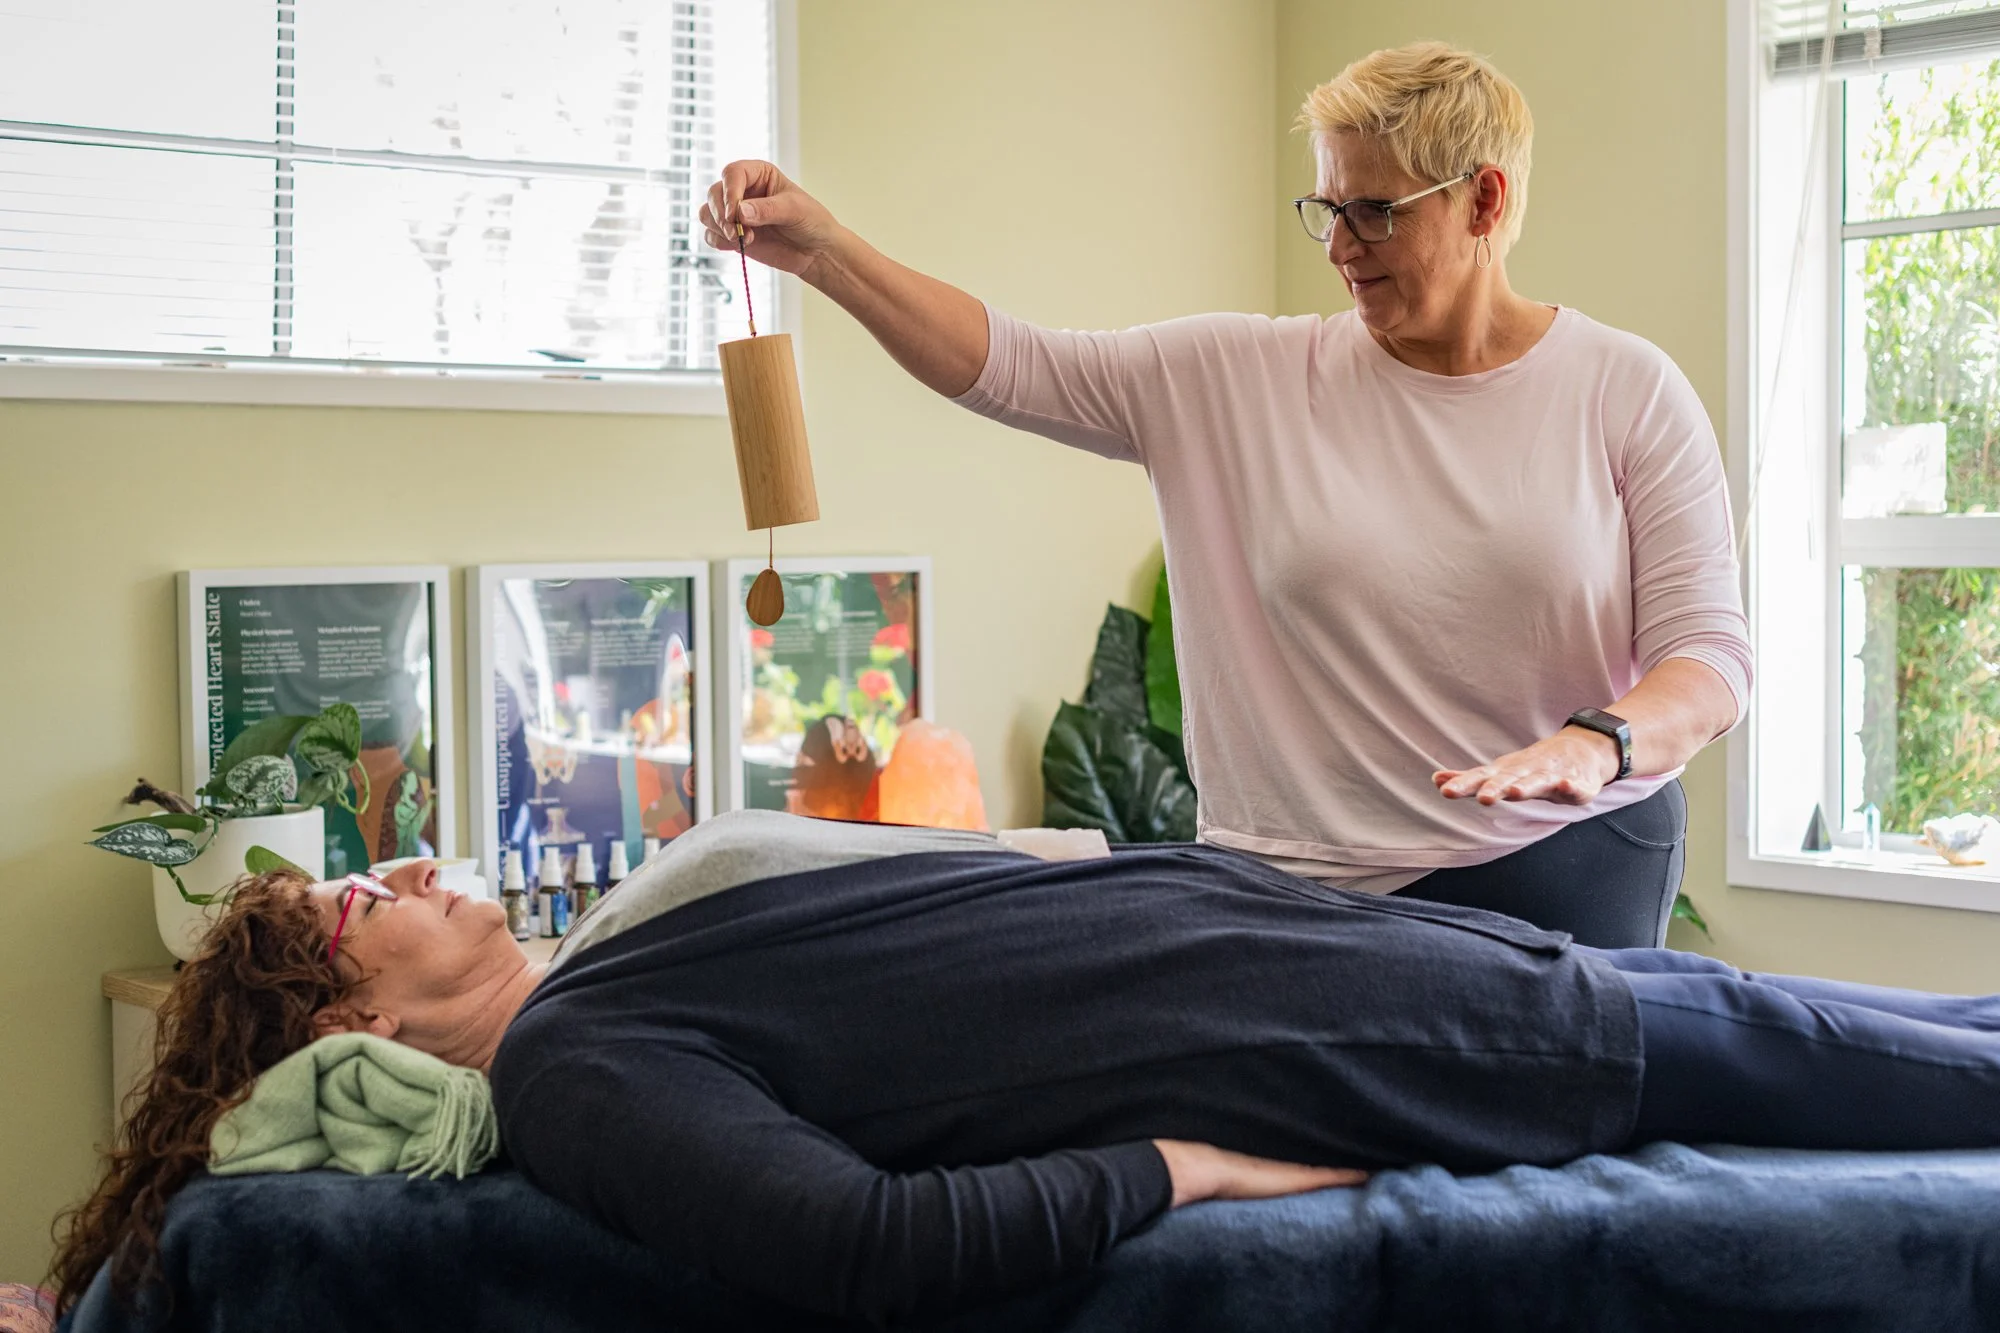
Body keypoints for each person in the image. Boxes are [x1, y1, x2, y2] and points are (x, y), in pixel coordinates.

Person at [52, 818, 2000, 1325]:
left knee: (1919, 1036)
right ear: (360, 1031)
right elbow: (867, 1248)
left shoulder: (610, 975)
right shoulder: (586, 1074)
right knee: (1888, 1066)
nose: (387, 879)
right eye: (345, 920)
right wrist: (1199, 1169)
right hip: (1384, 1036)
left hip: (1377, 956)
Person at [696, 41, 1752, 949]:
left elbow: (1707, 662)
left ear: (1483, 198)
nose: (1340, 248)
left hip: (1560, 871)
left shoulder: (1625, 390)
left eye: (1374, 212)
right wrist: (823, 254)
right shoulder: (1231, 382)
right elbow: (1010, 364)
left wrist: (1595, 741)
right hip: (1292, 893)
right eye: (1326, 208)